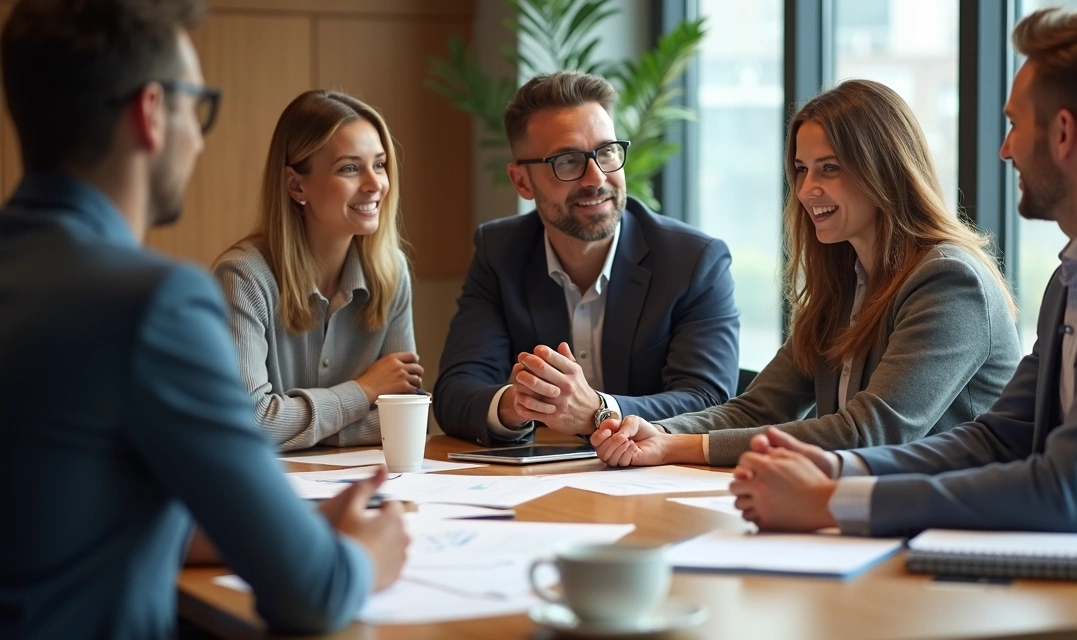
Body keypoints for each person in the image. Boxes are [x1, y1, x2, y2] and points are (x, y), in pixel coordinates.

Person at [730, 7, 1077, 566]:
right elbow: (997, 439)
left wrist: (832, 501)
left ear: (1063, 133)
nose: (1006, 150)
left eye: (1014, 124)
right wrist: (841, 467)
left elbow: (1063, 489)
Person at [0, 2, 409, 637]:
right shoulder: (153, 302)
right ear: (151, 113)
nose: (199, 136)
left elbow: (67, 513)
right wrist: (361, 556)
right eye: (199, 106)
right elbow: (312, 594)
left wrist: (286, 526)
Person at [591, 79, 1021, 468]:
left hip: (955, 516)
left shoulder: (949, 281)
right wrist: (658, 432)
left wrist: (678, 447)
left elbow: (868, 434)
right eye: (802, 169)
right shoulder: (846, 284)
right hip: (871, 505)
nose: (806, 189)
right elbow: (758, 409)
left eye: (829, 168)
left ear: (884, 170)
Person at [433, 71, 741, 447]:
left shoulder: (693, 261)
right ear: (522, 182)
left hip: (652, 474)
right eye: (567, 161)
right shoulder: (500, 252)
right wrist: (518, 403)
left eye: (607, 151)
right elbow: (454, 392)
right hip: (542, 477)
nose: (596, 178)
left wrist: (598, 410)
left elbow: (708, 400)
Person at [214, 90, 423, 451]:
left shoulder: (391, 272)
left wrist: (299, 428)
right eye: (350, 168)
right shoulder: (242, 277)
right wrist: (364, 390)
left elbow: (406, 418)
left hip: (366, 481)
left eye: (379, 164)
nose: (375, 184)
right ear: (297, 185)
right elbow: (249, 422)